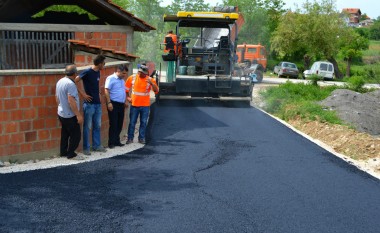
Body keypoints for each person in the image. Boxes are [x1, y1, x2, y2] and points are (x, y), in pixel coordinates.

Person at [75, 54, 106, 155]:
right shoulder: (88, 71)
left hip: (97, 104)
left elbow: (95, 85)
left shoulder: (98, 73)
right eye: (104, 63)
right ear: (100, 64)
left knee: (97, 125)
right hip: (89, 104)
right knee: (87, 126)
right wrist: (82, 94)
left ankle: (96, 146)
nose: (104, 65)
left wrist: (99, 94)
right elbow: (76, 80)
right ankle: (86, 148)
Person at [56, 64, 84, 160]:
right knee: (76, 135)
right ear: (75, 73)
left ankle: (63, 152)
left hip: (61, 113)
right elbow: (71, 100)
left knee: (65, 133)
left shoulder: (60, 81)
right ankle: (71, 154)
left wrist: (60, 107)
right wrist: (78, 115)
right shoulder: (70, 84)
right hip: (70, 115)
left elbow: (57, 97)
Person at [125, 64, 159, 144]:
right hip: (134, 105)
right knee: (132, 122)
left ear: (146, 73)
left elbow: (156, 90)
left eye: (142, 73)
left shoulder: (150, 80)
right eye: (139, 72)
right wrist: (128, 97)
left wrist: (152, 84)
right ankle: (130, 138)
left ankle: (141, 138)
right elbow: (126, 89)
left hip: (145, 106)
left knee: (143, 122)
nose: (140, 74)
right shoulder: (132, 78)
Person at [104, 64, 129, 149]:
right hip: (113, 104)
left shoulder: (122, 80)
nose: (124, 75)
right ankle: (111, 143)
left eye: (125, 73)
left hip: (121, 105)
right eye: (123, 73)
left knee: (119, 124)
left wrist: (125, 101)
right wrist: (108, 102)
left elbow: (123, 91)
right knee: (113, 124)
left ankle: (117, 141)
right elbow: (106, 90)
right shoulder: (110, 78)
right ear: (118, 71)